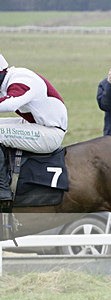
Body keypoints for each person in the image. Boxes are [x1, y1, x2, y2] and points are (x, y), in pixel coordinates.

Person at [0, 52, 68, 238]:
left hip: (50, 133)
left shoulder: (21, 80)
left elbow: (9, 104)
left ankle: (2, 189)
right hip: (38, 125)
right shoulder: (9, 79)